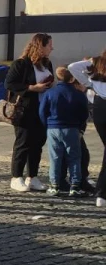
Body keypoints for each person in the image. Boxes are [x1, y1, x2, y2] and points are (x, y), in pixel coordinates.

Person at [5, 33, 56, 192]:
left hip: (42, 109)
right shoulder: (21, 64)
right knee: (23, 142)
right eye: (49, 45)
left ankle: (32, 176)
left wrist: (50, 83)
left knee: (38, 143)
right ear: (40, 46)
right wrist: (32, 88)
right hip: (24, 109)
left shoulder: (47, 63)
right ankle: (16, 177)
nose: (52, 48)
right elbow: (10, 83)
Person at [39, 67, 90, 197]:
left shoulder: (50, 93)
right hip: (71, 128)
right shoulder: (77, 94)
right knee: (74, 157)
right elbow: (84, 113)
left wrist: (48, 124)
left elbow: (42, 112)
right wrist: (79, 126)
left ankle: (54, 185)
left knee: (55, 158)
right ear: (72, 78)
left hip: (53, 127)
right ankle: (75, 186)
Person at [69, 51, 106, 207]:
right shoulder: (97, 64)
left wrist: (88, 80)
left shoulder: (97, 65)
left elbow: (73, 67)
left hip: (100, 107)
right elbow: (72, 67)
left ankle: (102, 194)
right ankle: (102, 193)